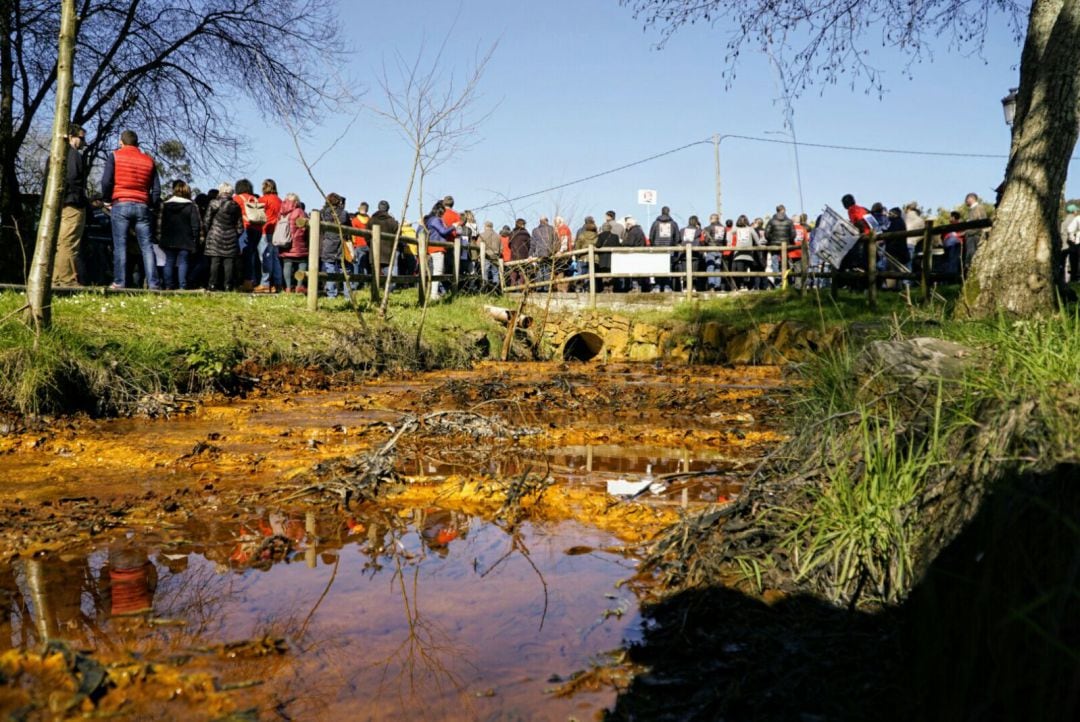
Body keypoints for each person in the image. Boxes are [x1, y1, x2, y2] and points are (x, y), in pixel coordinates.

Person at [101, 129, 161, 289]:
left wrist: (107, 199)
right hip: (142, 205)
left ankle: (119, 282)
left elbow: (106, 181)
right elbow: (156, 189)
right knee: (147, 247)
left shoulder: (115, 156)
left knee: (120, 245)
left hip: (120, 203)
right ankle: (154, 283)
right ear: (137, 143)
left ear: (121, 142)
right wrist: (151, 205)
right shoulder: (149, 161)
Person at [53, 123, 88, 287]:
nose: (83, 142)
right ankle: (66, 279)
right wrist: (81, 199)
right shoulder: (73, 155)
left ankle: (57, 277)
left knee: (62, 242)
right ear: (71, 136)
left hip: (60, 203)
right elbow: (73, 178)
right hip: (72, 204)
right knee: (69, 242)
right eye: (81, 138)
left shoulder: (56, 154)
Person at [157, 180, 200, 290]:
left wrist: (159, 236)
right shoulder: (191, 206)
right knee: (183, 262)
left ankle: (168, 285)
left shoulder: (165, 205)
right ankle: (182, 286)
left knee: (169, 261)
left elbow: (160, 222)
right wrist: (195, 238)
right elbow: (195, 224)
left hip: (168, 238)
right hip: (186, 239)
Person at [202, 182, 242, 291]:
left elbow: (206, 221)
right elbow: (240, 227)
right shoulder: (236, 206)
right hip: (231, 236)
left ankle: (212, 284)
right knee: (229, 262)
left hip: (215, 235)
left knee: (215, 262)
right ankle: (228, 285)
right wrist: (235, 234)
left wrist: (208, 233)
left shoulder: (213, 203)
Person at [320, 192, 351, 299]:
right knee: (345, 270)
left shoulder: (323, 213)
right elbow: (349, 228)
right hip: (341, 244)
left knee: (330, 269)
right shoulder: (344, 214)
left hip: (328, 243)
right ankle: (348, 295)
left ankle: (331, 294)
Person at [254, 179, 283, 293]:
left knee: (264, 258)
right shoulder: (279, 200)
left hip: (265, 230)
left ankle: (265, 283)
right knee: (275, 258)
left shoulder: (263, 200)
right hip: (277, 231)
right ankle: (278, 283)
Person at [278, 193, 309, 293]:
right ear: (297, 201)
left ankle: (287, 287)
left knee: (287, 264)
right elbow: (304, 227)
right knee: (302, 263)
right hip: (299, 242)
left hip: (285, 241)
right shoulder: (299, 211)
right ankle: (299, 286)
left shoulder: (282, 212)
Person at [424, 201, 454, 299]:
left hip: (432, 248)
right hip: (437, 248)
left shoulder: (430, 219)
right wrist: (454, 226)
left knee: (435, 271)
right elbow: (443, 231)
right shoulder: (436, 220)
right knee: (438, 271)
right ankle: (433, 294)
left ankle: (433, 292)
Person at [649, 206, 680, 291]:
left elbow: (651, 236)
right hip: (669, 248)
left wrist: (653, 245)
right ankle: (667, 286)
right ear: (669, 212)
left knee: (658, 266)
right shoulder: (673, 224)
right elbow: (677, 237)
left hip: (657, 248)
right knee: (668, 266)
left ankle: (657, 286)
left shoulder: (655, 223)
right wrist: (673, 245)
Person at [368, 199, 400, 281]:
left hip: (375, 250)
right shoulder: (393, 222)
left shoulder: (371, 220)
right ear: (388, 209)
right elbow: (398, 235)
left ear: (378, 208)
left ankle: (376, 289)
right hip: (388, 252)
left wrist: (370, 244)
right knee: (388, 274)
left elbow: (366, 235)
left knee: (375, 273)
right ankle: (389, 289)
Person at [765, 204, 796, 287]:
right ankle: (788, 282)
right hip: (786, 245)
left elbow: (766, 234)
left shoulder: (771, 221)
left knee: (774, 263)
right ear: (784, 210)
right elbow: (793, 234)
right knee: (786, 263)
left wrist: (771, 240)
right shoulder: (789, 221)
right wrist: (789, 240)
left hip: (774, 245)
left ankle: (778, 283)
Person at [623, 216, 649, 292]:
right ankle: (639, 287)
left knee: (634, 272)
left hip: (635, 255)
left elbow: (630, 243)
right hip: (641, 254)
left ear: (629, 224)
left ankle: (635, 287)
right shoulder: (640, 230)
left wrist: (623, 243)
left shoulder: (633, 231)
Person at [964, 192, 987, 272]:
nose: (965, 201)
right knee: (970, 255)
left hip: (976, 235)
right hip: (971, 235)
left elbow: (982, 221)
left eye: (966, 199)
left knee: (974, 255)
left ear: (971, 198)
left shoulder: (979, 207)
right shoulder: (971, 210)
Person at [530, 216, 558, 283]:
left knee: (539, 270)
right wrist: (554, 251)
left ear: (540, 222)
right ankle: (546, 287)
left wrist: (530, 254)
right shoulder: (551, 229)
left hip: (538, 253)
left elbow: (532, 244)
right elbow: (556, 241)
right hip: (549, 253)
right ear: (547, 221)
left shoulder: (535, 230)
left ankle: (539, 288)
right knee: (547, 270)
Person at [508, 218, 531, 287]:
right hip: (524, 255)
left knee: (514, 271)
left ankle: (512, 286)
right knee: (522, 271)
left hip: (514, 255)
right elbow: (529, 244)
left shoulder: (512, 233)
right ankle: (521, 286)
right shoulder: (526, 234)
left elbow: (509, 244)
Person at [478, 220, 501, 284]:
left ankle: (485, 288)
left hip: (485, 256)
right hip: (495, 256)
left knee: (485, 272)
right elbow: (501, 248)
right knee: (495, 273)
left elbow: (478, 246)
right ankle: (496, 288)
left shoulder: (482, 235)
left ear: (485, 226)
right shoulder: (498, 236)